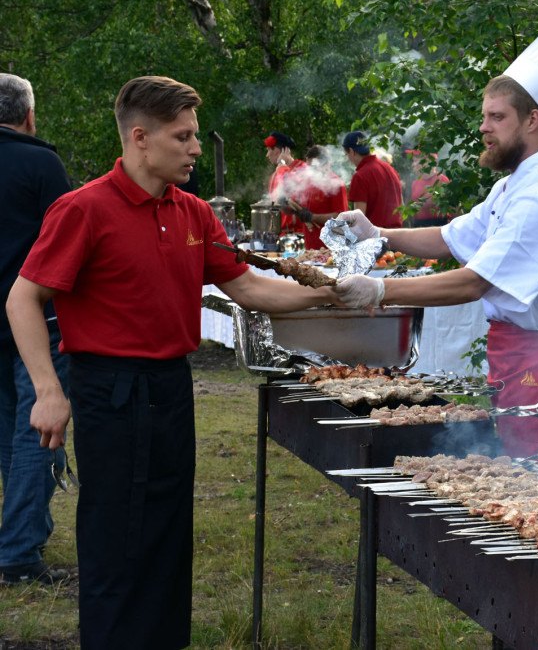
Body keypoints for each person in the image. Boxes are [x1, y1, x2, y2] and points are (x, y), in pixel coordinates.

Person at [6, 76, 338, 649]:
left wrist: (332, 293)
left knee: (166, 530)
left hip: (170, 387)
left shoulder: (192, 213)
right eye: (182, 137)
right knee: (117, 535)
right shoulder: (83, 208)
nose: (192, 148)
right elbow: (22, 297)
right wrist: (47, 391)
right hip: (108, 388)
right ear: (140, 137)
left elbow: (250, 288)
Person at [334, 16, 538, 461]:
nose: (483, 128)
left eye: (497, 117)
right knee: (520, 480)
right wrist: (379, 235)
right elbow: (447, 237)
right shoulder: (512, 185)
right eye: (484, 117)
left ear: (533, 120)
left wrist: (381, 289)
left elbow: (472, 282)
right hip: (514, 352)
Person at [0, 73, 73, 586]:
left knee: (9, 428)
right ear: (28, 116)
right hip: (35, 317)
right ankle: (19, 552)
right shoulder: (40, 161)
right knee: (40, 432)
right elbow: (70, 237)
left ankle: (20, 534)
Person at [279, 144, 349, 249]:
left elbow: (340, 218)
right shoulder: (307, 182)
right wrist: (285, 205)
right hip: (310, 247)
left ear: (326, 164)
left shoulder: (336, 184)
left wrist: (312, 217)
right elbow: (294, 209)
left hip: (330, 249)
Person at [341, 130, 404, 228]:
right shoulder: (390, 169)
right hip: (396, 235)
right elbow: (401, 207)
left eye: (347, 154)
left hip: (375, 238)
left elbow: (358, 219)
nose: (348, 158)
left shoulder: (360, 176)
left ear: (352, 151)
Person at [264, 130, 306, 233]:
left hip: (299, 235)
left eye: (270, 150)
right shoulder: (274, 175)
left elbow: (292, 196)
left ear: (278, 150)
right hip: (279, 234)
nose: (267, 155)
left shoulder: (303, 169)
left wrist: (282, 167)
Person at [405, 149, 452, 227]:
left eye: (416, 161)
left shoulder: (442, 180)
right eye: (413, 161)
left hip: (438, 226)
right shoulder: (415, 183)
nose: (413, 165)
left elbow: (453, 208)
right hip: (419, 226)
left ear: (427, 162)